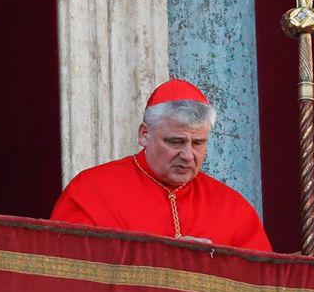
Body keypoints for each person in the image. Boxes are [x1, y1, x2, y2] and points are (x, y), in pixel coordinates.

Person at [50, 79, 271, 251]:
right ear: (145, 134)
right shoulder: (91, 191)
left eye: (198, 143)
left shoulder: (232, 207)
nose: (187, 155)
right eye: (175, 141)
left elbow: (261, 287)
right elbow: (69, 276)